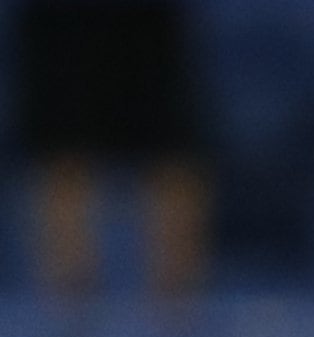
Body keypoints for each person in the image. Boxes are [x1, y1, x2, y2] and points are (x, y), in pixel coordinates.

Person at [10, 0, 211, 303]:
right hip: (60, 19)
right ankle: (68, 306)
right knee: (61, 151)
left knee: (174, 154)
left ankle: (177, 303)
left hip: (146, 20)